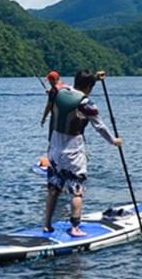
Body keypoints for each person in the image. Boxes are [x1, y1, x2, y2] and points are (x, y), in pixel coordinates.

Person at [43, 69, 121, 237]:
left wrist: (95, 79)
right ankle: (75, 228)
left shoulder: (59, 92)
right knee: (77, 190)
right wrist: (113, 141)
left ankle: (47, 225)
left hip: (54, 149)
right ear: (89, 87)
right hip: (73, 151)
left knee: (54, 188)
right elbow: (99, 126)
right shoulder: (86, 103)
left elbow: (63, 88)